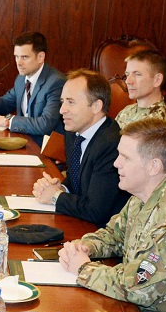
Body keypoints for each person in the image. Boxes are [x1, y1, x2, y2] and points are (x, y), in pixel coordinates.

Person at [58, 118, 166, 312]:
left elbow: (138, 289)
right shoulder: (140, 197)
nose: (116, 163)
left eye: (125, 157)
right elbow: (114, 235)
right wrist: (88, 246)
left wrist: (83, 269)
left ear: (153, 166)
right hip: (129, 309)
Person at [32, 69, 128, 226]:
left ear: (96, 106)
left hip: (102, 232)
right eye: (63, 102)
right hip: (81, 222)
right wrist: (61, 187)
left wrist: (57, 196)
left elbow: (96, 211)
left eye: (71, 102)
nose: (62, 110)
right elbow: (77, 180)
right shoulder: (74, 132)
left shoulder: (111, 144)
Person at [0, 31, 65, 143]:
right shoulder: (22, 79)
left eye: (25, 57)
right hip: (23, 140)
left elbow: (46, 124)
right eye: (16, 56)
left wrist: (8, 121)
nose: (19, 62)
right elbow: (7, 103)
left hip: (43, 147)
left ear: (41, 57)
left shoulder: (56, 82)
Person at [114, 49, 166, 128]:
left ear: (157, 80)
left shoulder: (156, 123)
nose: (128, 81)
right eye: (127, 75)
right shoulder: (127, 110)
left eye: (137, 74)